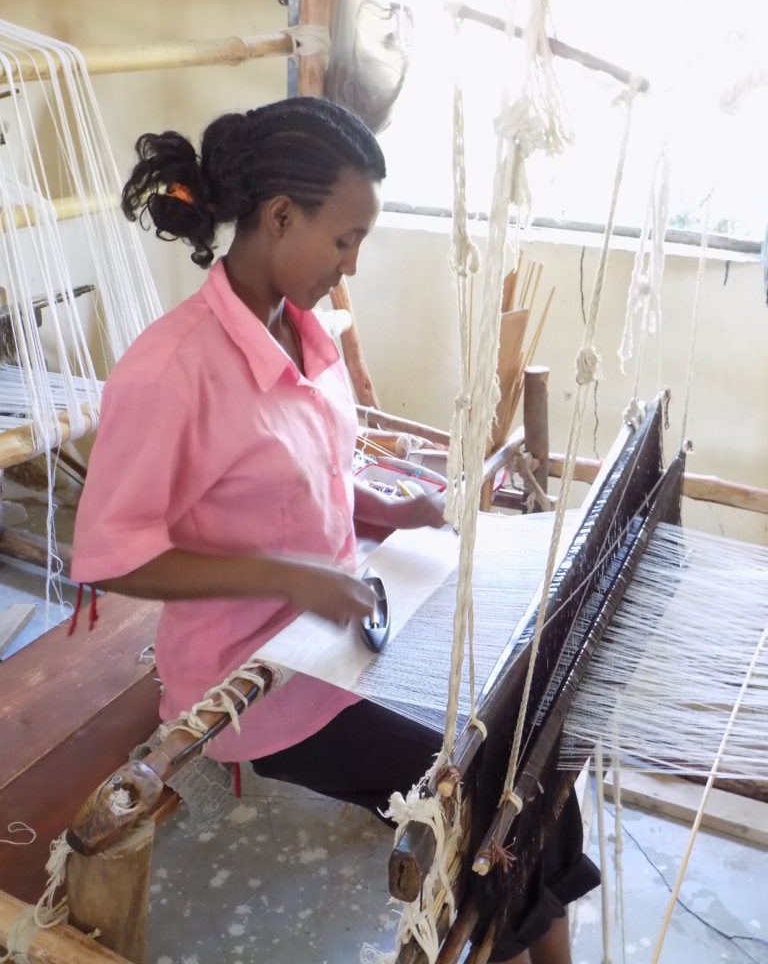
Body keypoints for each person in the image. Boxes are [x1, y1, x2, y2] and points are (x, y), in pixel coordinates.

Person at [70, 96, 596, 964]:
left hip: (345, 633)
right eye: (345, 239)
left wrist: (380, 510)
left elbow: (305, 478)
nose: (351, 262)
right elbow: (111, 555)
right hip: (260, 687)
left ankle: (525, 941)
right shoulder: (169, 371)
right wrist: (288, 575)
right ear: (280, 217)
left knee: (527, 755)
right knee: (500, 797)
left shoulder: (305, 335)